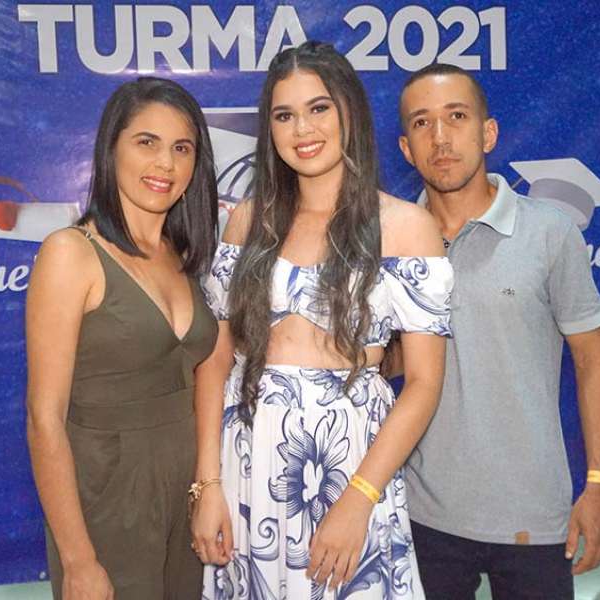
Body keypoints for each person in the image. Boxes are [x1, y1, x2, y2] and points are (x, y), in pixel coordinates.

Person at [191, 41, 453, 600]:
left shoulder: (406, 226)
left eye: (318, 108)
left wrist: (359, 499)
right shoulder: (247, 221)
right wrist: (208, 483)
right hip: (248, 462)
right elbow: (216, 360)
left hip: (352, 466)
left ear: (349, 111)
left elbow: (424, 383)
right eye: (284, 115)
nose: (302, 129)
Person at [397, 63, 600, 599]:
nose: (441, 137)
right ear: (406, 148)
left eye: (456, 117)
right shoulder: (391, 239)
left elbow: (594, 361)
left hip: (532, 517)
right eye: (423, 123)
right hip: (422, 515)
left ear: (488, 132)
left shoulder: (550, 232)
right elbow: (387, 360)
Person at [25, 77, 219, 599]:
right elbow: (44, 419)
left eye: (182, 148)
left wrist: (207, 487)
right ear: (112, 149)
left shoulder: (183, 255)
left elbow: (208, 373)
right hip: (107, 500)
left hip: (183, 497)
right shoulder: (70, 253)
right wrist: (78, 559)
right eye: (146, 142)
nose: (165, 164)